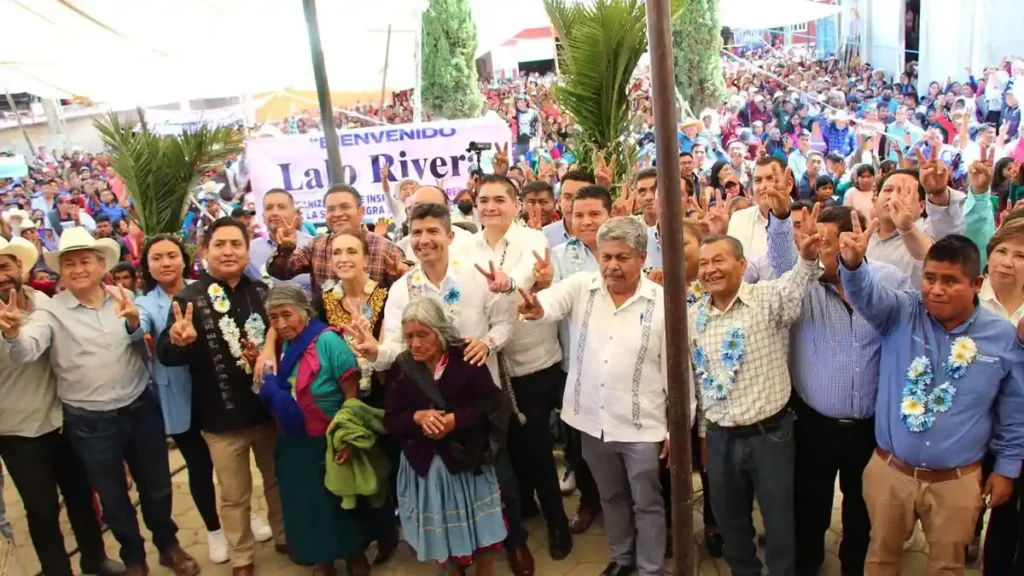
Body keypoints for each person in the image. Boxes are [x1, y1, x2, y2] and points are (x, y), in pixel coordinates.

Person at [0, 227, 199, 576]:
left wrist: (135, 322)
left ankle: (168, 547)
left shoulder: (123, 297)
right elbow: (28, 350)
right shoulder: (51, 310)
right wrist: (14, 334)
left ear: (101, 264)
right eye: (70, 263)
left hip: (140, 410)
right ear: (61, 271)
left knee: (157, 488)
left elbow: (139, 334)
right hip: (90, 423)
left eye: (85, 261)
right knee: (113, 499)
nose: (78, 269)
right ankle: (134, 559)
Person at [839, 231, 1024, 575]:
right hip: (891, 473)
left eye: (951, 281)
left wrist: (1006, 469)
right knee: (880, 557)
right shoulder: (902, 312)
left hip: (957, 481)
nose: (936, 289)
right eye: (930, 278)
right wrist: (852, 264)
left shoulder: (1001, 338)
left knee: (947, 567)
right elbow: (866, 294)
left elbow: (1014, 411)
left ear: (976, 283)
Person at [750, 203, 912, 574]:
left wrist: (856, 274)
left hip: (871, 426)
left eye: (826, 243)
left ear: (855, 242)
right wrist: (778, 220)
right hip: (814, 423)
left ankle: (853, 565)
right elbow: (780, 263)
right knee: (809, 504)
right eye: (813, 241)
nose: (817, 249)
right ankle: (808, 563)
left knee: (862, 507)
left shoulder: (890, 280)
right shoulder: (802, 285)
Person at [519, 216, 686, 576]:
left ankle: (650, 569)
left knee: (648, 503)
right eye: (606, 256)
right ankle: (622, 560)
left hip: (643, 426)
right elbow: (550, 302)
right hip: (592, 422)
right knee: (611, 497)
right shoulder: (582, 287)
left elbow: (678, 372)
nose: (611, 265)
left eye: (622, 257)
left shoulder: (662, 301)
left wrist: (677, 427)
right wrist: (535, 307)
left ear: (642, 257)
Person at [693, 160, 825, 576]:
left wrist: (805, 256)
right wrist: (702, 437)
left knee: (780, 524)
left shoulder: (767, 299)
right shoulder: (693, 317)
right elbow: (697, 383)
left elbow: (800, 279)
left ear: (742, 265)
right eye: (703, 264)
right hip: (720, 438)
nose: (710, 269)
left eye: (720, 261)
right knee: (732, 525)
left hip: (770, 436)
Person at [156, 218, 284, 576]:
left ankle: (284, 535)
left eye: (236, 244)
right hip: (221, 417)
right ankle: (241, 556)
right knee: (233, 494)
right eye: (220, 245)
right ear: (205, 252)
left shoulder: (260, 292)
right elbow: (167, 353)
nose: (228, 251)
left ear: (247, 251)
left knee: (276, 481)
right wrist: (179, 339)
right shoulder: (188, 299)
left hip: (267, 411)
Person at [0, 236, 124, 576]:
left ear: (19, 268)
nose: (1, 275)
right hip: (18, 431)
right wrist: (11, 335)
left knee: (82, 496)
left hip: (66, 418)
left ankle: (95, 559)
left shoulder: (43, 302)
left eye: (4, 266)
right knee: (42, 510)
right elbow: (24, 350)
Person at [471, 175, 571, 560]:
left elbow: (529, 276)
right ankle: (525, 513)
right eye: (483, 200)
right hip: (492, 368)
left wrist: (506, 282)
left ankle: (558, 523)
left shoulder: (532, 239)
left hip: (534, 366)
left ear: (516, 205)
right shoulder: (468, 246)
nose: (490, 206)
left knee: (538, 452)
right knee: (509, 449)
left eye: (499, 199)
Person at [383, 297, 509, 575]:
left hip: (467, 462)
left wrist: (455, 421)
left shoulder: (466, 359)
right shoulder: (402, 368)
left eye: (422, 335)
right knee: (444, 536)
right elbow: (391, 421)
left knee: (484, 533)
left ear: (439, 332)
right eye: (409, 337)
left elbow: (490, 409)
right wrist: (417, 418)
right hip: (427, 470)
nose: (415, 343)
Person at [257, 284, 372, 576]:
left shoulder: (328, 341)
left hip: (331, 440)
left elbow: (351, 397)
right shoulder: (280, 346)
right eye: (273, 318)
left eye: (287, 315)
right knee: (307, 503)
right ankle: (323, 559)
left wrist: (347, 439)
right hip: (295, 442)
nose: (281, 324)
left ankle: (354, 555)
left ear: (304, 313)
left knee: (340, 500)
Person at [266, 185, 406, 300]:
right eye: (331, 209)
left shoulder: (386, 248)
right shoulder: (316, 246)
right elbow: (281, 272)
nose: (338, 214)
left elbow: (404, 291)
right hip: (326, 331)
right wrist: (285, 249)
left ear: (361, 211)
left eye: (345, 207)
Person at [246, 189, 314, 295]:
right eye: (269, 208)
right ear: (263, 217)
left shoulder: (313, 245)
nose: (275, 213)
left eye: (281, 207)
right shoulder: (249, 251)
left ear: (295, 214)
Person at [543, 171, 595, 248]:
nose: (573, 204)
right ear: (560, 200)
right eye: (568, 197)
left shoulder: (603, 236)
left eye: (581, 198)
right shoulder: (545, 236)